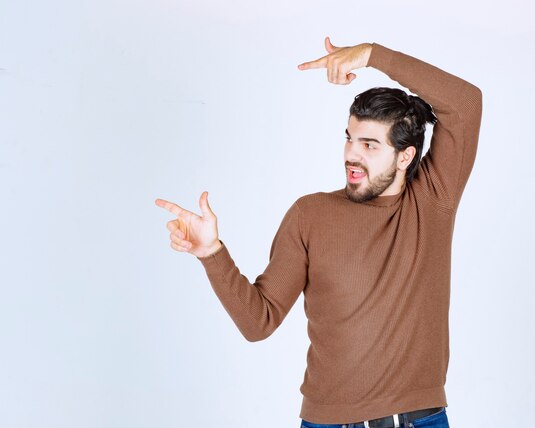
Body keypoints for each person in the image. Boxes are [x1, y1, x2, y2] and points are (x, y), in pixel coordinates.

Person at [155, 36, 482, 428]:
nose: (351, 154)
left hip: (416, 420)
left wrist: (372, 55)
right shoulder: (310, 214)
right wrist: (212, 253)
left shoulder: (431, 201)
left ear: (405, 156)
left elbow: (465, 103)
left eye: (369, 144)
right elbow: (259, 322)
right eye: (349, 138)